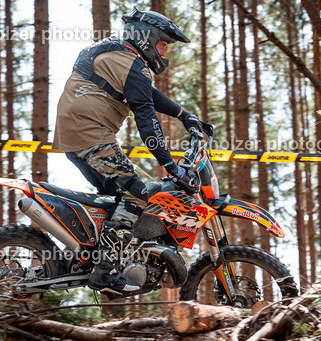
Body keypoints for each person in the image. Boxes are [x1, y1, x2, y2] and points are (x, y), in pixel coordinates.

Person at [52, 7, 203, 297]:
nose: (165, 53)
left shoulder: (120, 54)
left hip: (78, 134)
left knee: (118, 197)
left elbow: (145, 93)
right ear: (147, 38)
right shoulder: (131, 63)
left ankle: (93, 256)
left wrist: (182, 113)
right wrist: (172, 167)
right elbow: (147, 120)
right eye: (163, 44)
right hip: (91, 135)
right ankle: (105, 272)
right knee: (136, 193)